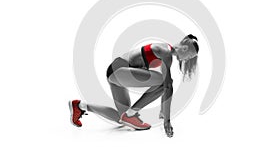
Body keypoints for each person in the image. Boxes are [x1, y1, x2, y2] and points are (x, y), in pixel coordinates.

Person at [69, 34, 199, 137]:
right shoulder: (166, 51)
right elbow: (167, 86)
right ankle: (131, 114)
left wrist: (163, 112)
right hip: (119, 70)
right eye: (190, 56)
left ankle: (80, 106)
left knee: (121, 119)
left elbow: (165, 86)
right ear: (185, 48)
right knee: (163, 82)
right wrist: (167, 121)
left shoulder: (167, 52)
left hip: (116, 73)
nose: (188, 59)